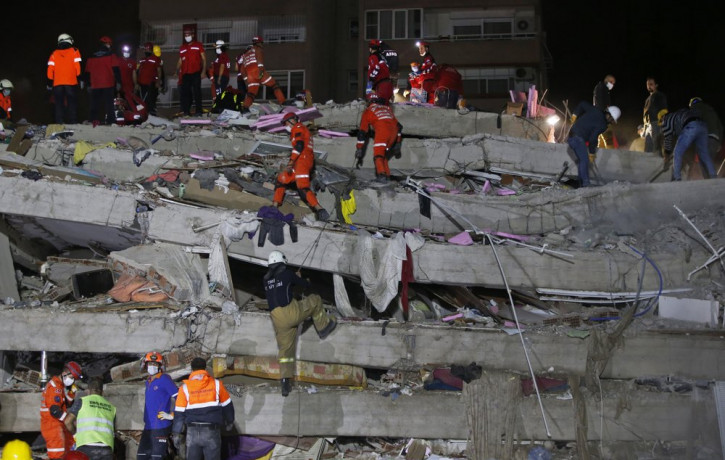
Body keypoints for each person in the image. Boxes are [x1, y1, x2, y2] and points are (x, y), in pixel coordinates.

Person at [263, 250, 337, 396]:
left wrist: (291, 282)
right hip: (290, 312)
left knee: (285, 352)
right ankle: (324, 327)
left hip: (277, 319)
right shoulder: (288, 274)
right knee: (315, 299)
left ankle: (285, 382)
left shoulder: (265, 280)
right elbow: (305, 285)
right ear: (282, 261)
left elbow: (279, 289)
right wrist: (300, 279)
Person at [171, 357, 235, 460]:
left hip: (192, 433)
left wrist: (176, 433)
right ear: (205, 369)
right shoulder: (217, 384)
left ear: (192, 370)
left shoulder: (184, 388)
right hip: (212, 432)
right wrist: (230, 422)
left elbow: (179, 414)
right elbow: (227, 405)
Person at [273, 112, 329, 221]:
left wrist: (290, 162)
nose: (286, 126)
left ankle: (320, 210)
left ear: (292, 120)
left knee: (302, 188)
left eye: (286, 123)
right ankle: (274, 207)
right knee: (282, 179)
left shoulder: (298, 128)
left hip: (302, 161)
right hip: (301, 161)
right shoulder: (302, 129)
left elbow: (299, 146)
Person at [567, 102, 620, 187]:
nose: (611, 122)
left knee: (582, 160)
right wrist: (592, 152)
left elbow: (581, 104)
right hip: (577, 139)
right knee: (584, 160)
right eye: (612, 120)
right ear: (609, 116)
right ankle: (585, 183)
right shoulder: (602, 125)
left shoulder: (596, 110)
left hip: (572, 135)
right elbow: (593, 139)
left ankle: (581, 183)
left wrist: (575, 114)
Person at [138, 352, 178, 460]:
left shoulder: (165, 379)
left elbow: (180, 397)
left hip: (161, 426)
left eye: (155, 364)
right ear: (145, 365)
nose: (152, 366)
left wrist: (173, 415)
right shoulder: (148, 381)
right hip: (148, 427)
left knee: (157, 457)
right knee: (142, 457)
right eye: (150, 363)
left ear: (160, 366)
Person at [659, 107, 718, 181]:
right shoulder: (677, 115)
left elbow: (668, 141)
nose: (661, 125)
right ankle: (713, 175)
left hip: (691, 125)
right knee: (704, 153)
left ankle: (676, 177)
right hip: (703, 125)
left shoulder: (665, 121)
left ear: (662, 118)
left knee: (677, 152)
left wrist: (666, 158)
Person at [64, 377, 116, 460]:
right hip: (107, 449)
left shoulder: (82, 401)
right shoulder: (112, 407)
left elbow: (67, 422)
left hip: (86, 447)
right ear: (102, 392)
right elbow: (113, 431)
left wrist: (75, 434)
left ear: (89, 390)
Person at [355, 93, 403, 183]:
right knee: (383, 155)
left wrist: (359, 148)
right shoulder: (387, 108)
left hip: (382, 132)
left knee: (378, 156)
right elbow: (399, 126)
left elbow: (362, 132)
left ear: (368, 101)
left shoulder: (368, 111)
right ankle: (387, 175)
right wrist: (398, 142)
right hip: (394, 133)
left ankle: (381, 176)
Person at [40, 361, 82, 460]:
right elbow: (55, 410)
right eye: (72, 378)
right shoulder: (54, 388)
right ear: (64, 374)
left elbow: (65, 404)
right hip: (53, 426)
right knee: (57, 455)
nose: (72, 381)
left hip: (59, 424)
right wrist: (68, 420)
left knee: (68, 450)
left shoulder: (59, 386)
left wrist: (71, 393)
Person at [240, 36, 286, 111]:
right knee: (274, 85)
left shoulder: (245, 55)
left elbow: (242, 70)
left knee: (251, 93)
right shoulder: (258, 49)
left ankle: (245, 108)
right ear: (259, 43)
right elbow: (259, 59)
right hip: (257, 71)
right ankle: (282, 101)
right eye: (261, 43)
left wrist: (246, 81)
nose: (262, 45)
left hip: (250, 76)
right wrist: (261, 72)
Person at [84, 36, 121, 126]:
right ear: (108, 44)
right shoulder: (112, 56)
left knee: (94, 104)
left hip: (95, 84)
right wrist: (119, 82)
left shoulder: (92, 56)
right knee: (109, 104)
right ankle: (111, 121)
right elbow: (116, 70)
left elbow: (87, 72)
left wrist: (88, 84)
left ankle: (92, 120)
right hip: (108, 83)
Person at [47, 33, 82, 124]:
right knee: (72, 103)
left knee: (59, 104)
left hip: (57, 84)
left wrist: (49, 82)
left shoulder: (54, 53)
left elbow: (50, 69)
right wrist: (80, 78)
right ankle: (73, 122)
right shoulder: (75, 51)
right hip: (71, 82)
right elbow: (77, 67)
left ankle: (59, 122)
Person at [176, 26, 207, 116]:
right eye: (185, 35)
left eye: (188, 35)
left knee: (197, 92)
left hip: (196, 73)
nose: (187, 36)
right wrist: (176, 70)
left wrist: (203, 71)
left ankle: (198, 111)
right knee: (186, 93)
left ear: (192, 35)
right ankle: (186, 111)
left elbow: (204, 59)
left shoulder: (198, 45)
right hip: (186, 74)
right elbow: (180, 60)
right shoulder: (182, 48)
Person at [689, 97, 723, 166]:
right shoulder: (712, 111)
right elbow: (721, 128)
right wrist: (719, 143)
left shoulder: (695, 109)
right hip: (714, 140)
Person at [643, 77, 667, 155]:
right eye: (648, 84)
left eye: (651, 84)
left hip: (656, 123)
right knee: (648, 147)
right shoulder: (647, 99)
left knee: (656, 146)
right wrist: (645, 126)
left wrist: (661, 123)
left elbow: (664, 109)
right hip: (648, 125)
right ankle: (648, 164)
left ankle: (659, 162)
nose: (649, 86)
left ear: (656, 85)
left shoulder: (659, 95)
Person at [137, 43, 163, 116]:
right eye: (145, 49)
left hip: (151, 82)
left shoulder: (156, 59)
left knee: (150, 98)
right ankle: (142, 113)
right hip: (142, 83)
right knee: (141, 99)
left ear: (151, 50)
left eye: (148, 49)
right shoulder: (142, 60)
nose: (146, 51)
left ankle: (151, 112)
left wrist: (158, 82)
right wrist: (137, 83)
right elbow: (138, 71)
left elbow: (159, 71)